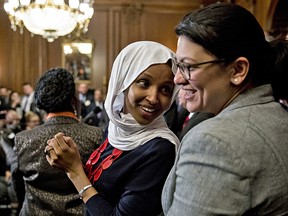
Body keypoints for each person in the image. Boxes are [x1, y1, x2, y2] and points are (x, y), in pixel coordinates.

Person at [161, 3, 288, 215]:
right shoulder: (277, 115)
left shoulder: (214, 142)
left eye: (189, 66)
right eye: (178, 65)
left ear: (238, 70)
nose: (178, 78)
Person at [45, 41, 180, 216]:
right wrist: (66, 157)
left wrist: (75, 172)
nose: (154, 98)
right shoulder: (118, 128)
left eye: (165, 90)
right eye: (144, 83)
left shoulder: (160, 149)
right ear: (123, 80)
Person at [11, 68, 103, 215]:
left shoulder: (23, 139)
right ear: (74, 99)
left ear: (41, 100)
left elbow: (17, 185)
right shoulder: (96, 135)